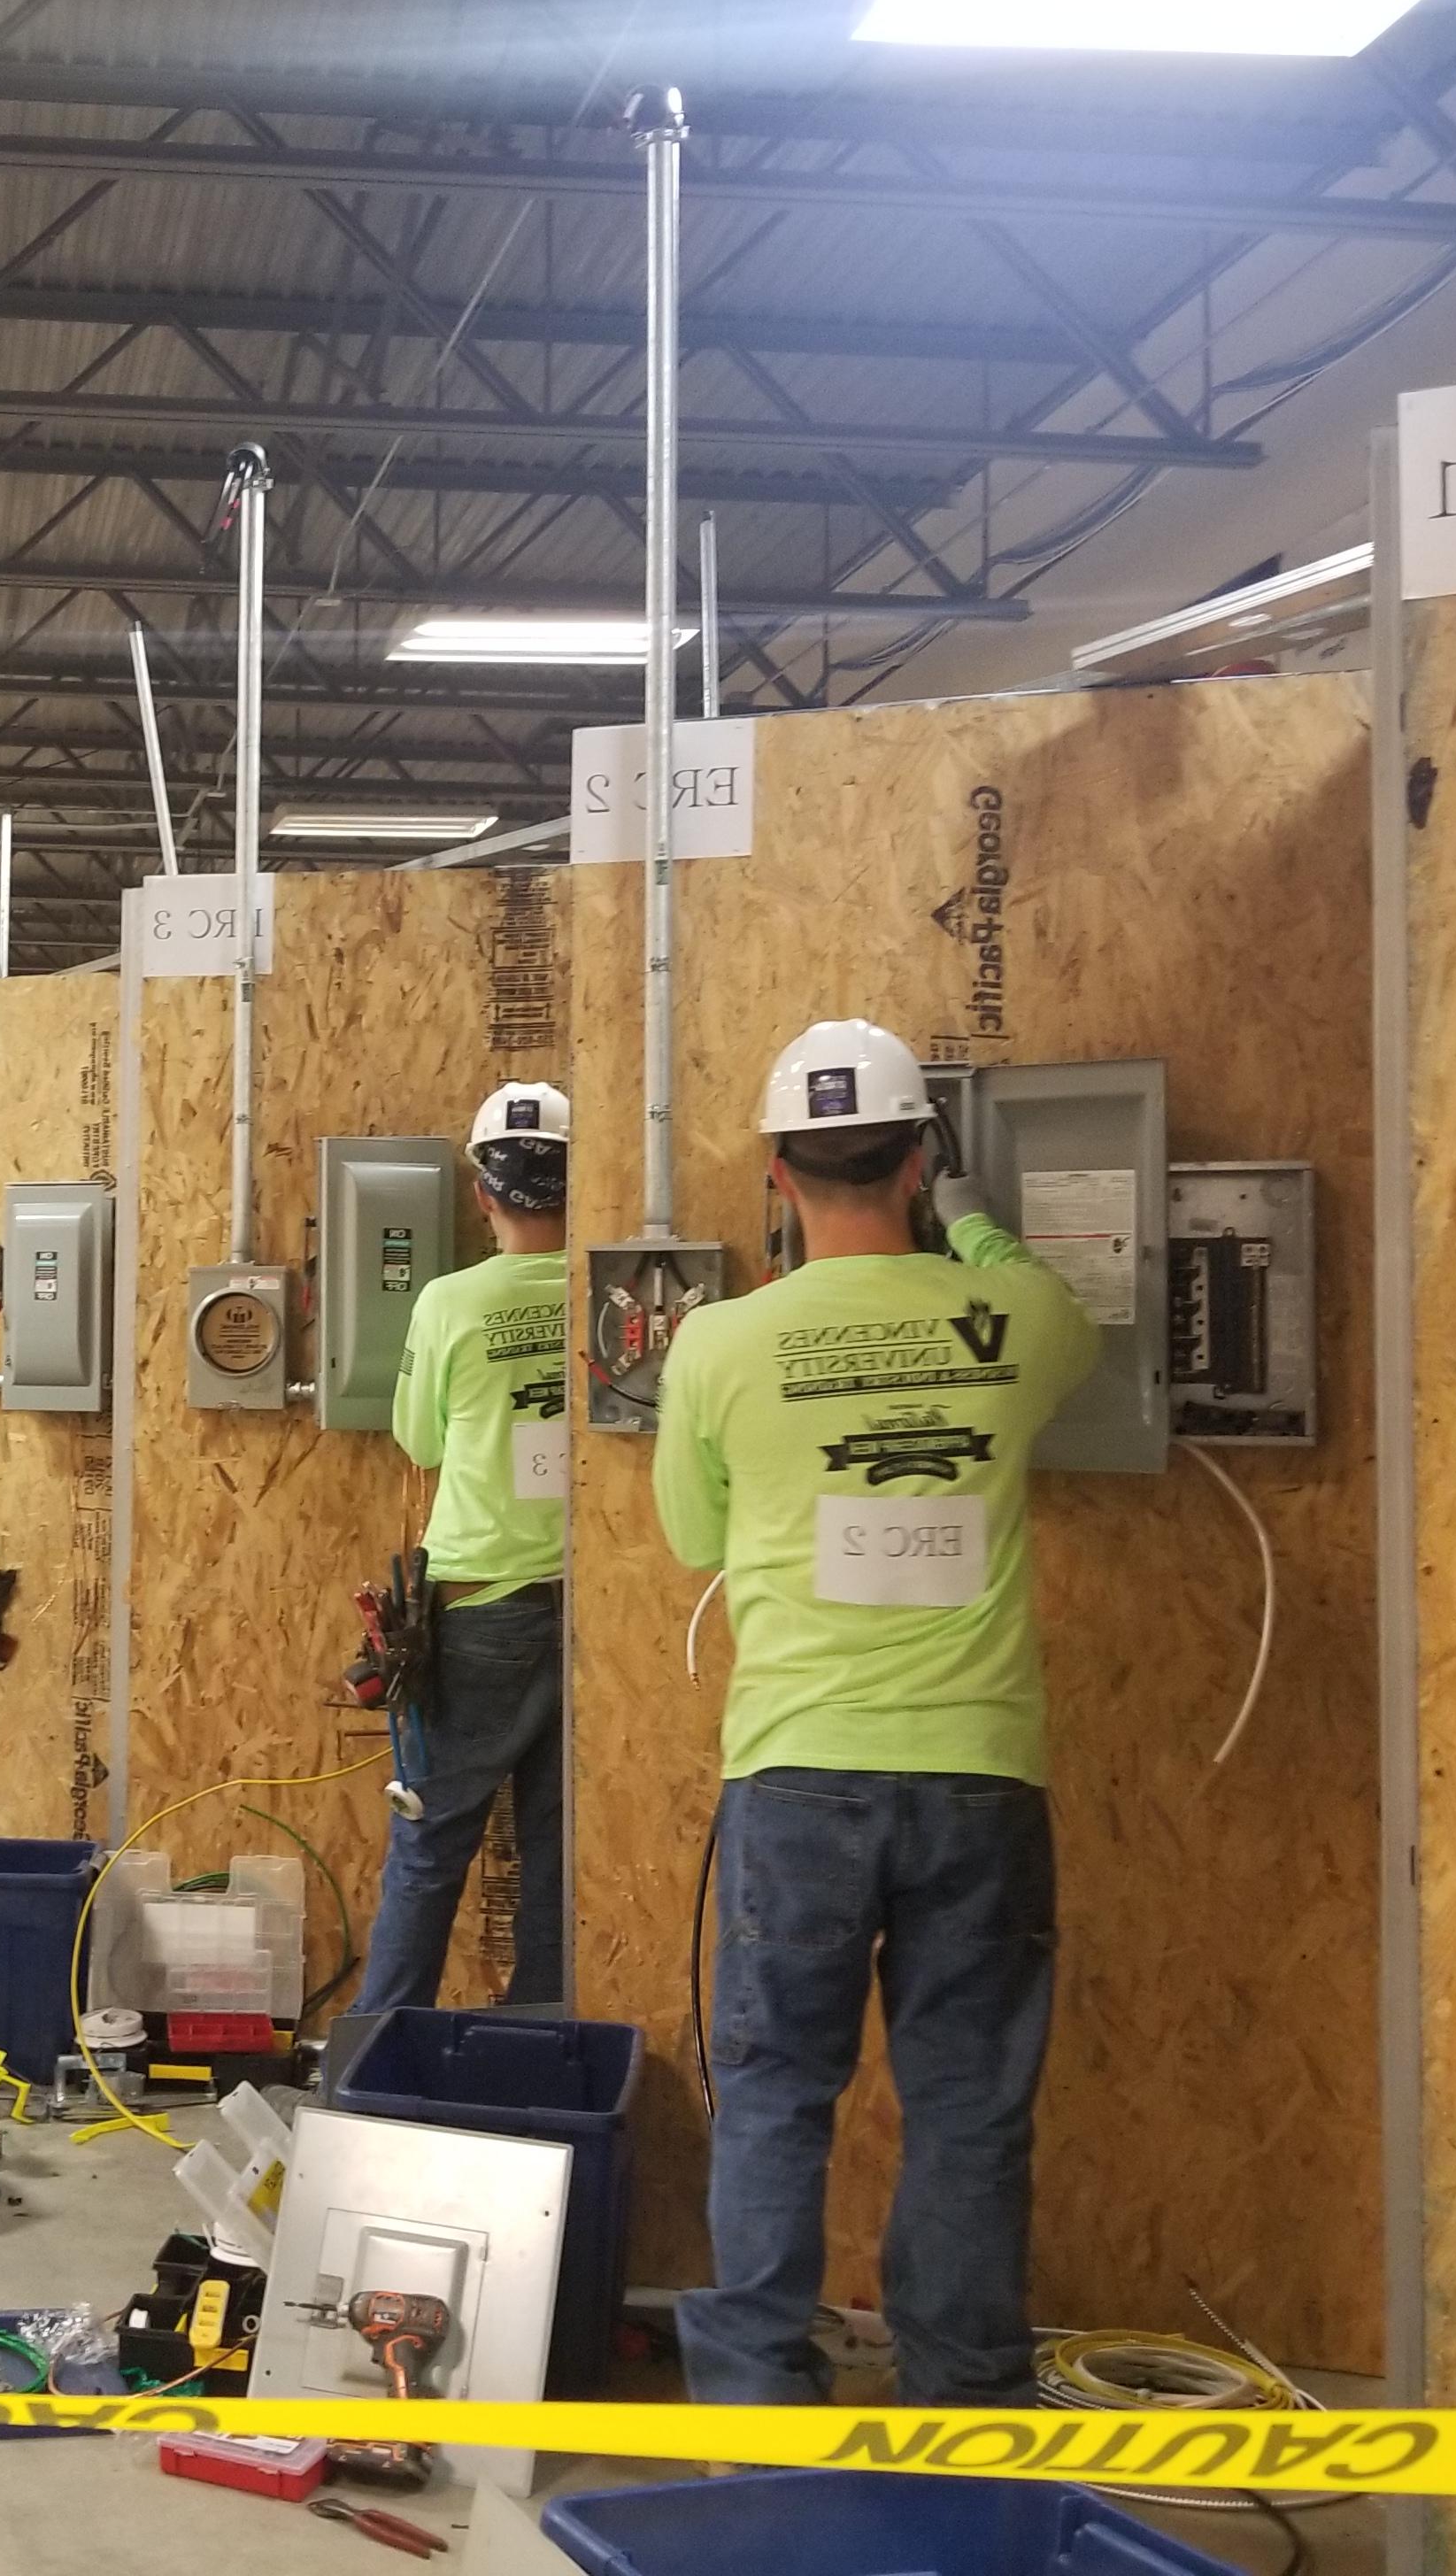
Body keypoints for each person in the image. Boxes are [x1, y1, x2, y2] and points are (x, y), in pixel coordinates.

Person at [651, 1020, 1098, 2410]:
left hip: (796, 1781)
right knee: (967, 2101)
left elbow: (690, 1534)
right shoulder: (1016, 1320)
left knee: (779, 2089)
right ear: (921, 1158)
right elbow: (1057, 1307)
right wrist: (971, 1220)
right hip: (977, 1775)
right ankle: (966, 2391)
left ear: (777, 1179)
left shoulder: (720, 1342)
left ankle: (753, 2396)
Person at [360, 1081, 574, 2015]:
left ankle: (369, 2069)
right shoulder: (613, 1287)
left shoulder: (449, 1304)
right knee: (557, 1853)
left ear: (483, 1194)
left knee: (429, 1848)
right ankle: (536, 2051)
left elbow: (421, 1439)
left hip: (480, 1611)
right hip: (587, 1611)